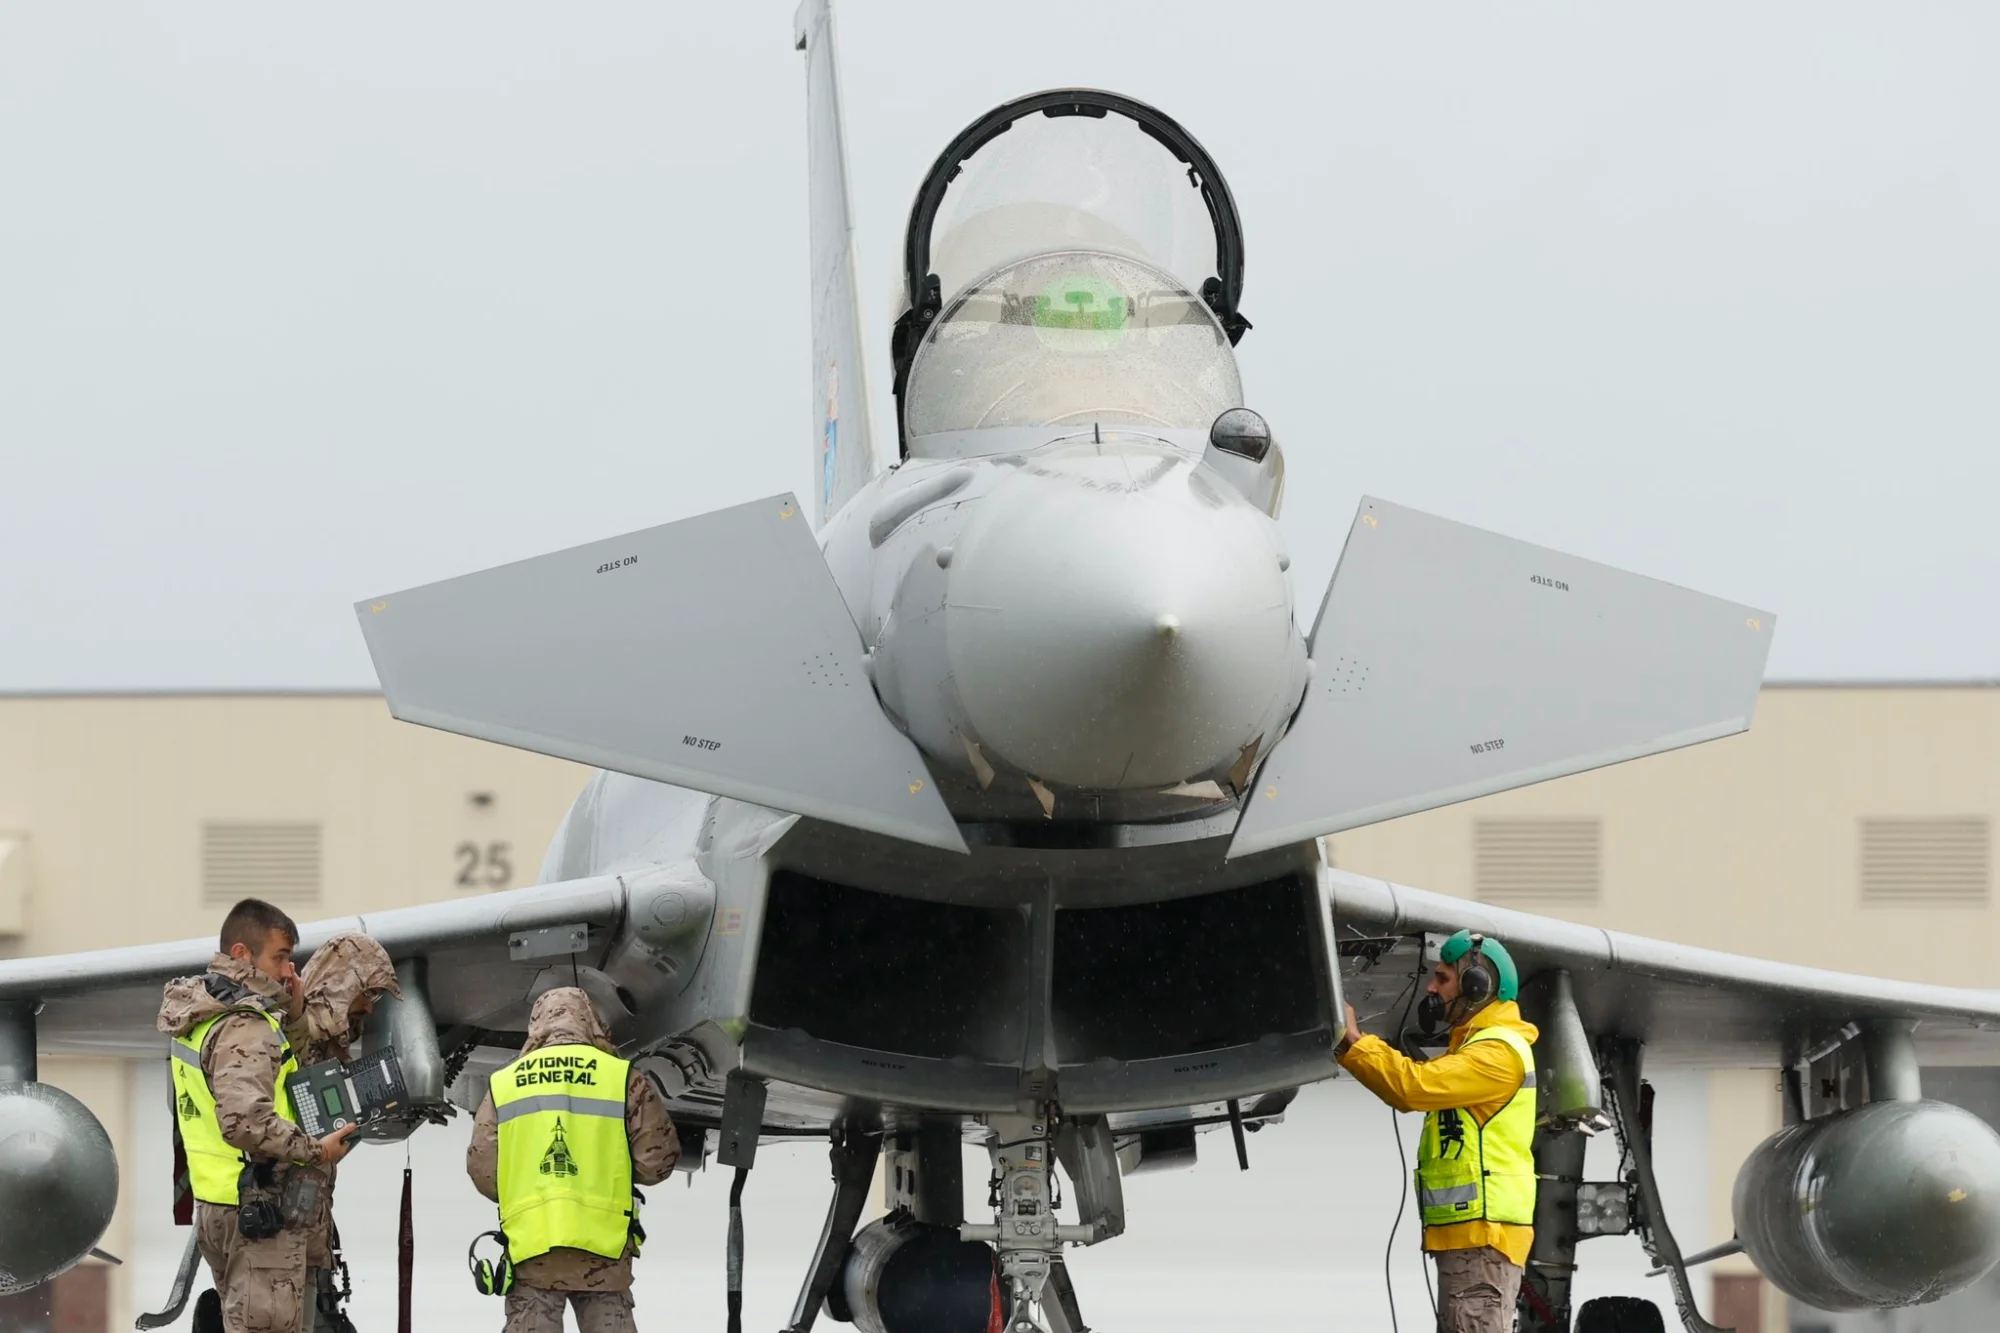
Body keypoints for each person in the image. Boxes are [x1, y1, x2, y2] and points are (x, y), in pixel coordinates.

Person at [158, 898, 360, 1333]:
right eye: (281, 958)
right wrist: (317, 1151)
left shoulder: (199, 1014)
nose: (289, 971)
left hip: (221, 1206)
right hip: (260, 1213)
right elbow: (245, 1122)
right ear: (241, 955)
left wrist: (295, 1015)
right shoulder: (245, 1024)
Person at [1336, 930, 1541, 1333]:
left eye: (1443, 978)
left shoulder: (1497, 1053)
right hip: (1472, 1244)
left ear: (1475, 987)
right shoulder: (1474, 1047)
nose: (1430, 987)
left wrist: (1353, 1041)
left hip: (1483, 1242)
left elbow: (1412, 1088)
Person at [466, 987, 680, 1333]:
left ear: (537, 1025)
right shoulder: (623, 1079)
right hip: (604, 1258)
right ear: (592, 1023)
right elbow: (658, 1163)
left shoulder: (505, 1084)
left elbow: (484, 1173)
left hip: (532, 1256)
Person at [293, 931, 402, 1329]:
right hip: (278, 1240)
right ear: (341, 988)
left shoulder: (323, 1052)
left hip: (306, 1237)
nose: (369, 1012)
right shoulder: (291, 1040)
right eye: (365, 996)